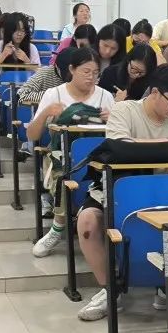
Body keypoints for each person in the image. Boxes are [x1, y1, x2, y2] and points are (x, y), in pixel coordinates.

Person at [71, 65, 168, 321]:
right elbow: (119, 146)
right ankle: (110, 290)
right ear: (155, 92)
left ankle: (167, 285)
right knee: (88, 222)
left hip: (162, 192)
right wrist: (167, 146)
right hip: (117, 188)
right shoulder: (125, 110)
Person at [29, 48, 116, 255]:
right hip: (61, 157)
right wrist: (46, 114)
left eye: (95, 73)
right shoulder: (55, 94)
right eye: (86, 71)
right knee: (64, 179)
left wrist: (112, 119)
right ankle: (57, 229)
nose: (91, 77)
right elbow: (32, 134)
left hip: (97, 157)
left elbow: (118, 135)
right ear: (72, 69)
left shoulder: (105, 96)